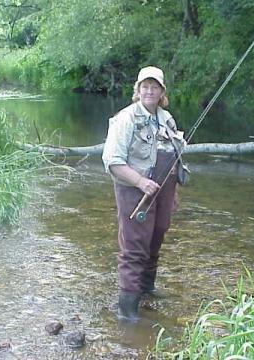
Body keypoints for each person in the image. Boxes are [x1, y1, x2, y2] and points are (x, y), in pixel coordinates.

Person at [102, 66, 185, 320]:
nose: (150, 90)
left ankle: (147, 288)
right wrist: (140, 182)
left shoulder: (167, 117)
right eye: (145, 86)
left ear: (162, 92)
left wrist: (174, 191)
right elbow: (112, 161)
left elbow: (173, 157)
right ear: (137, 90)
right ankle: (127, 311)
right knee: (135, 248)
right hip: (134, 192)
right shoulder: (125, 119)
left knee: (156, 237)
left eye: (155, 86)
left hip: (163, 191)